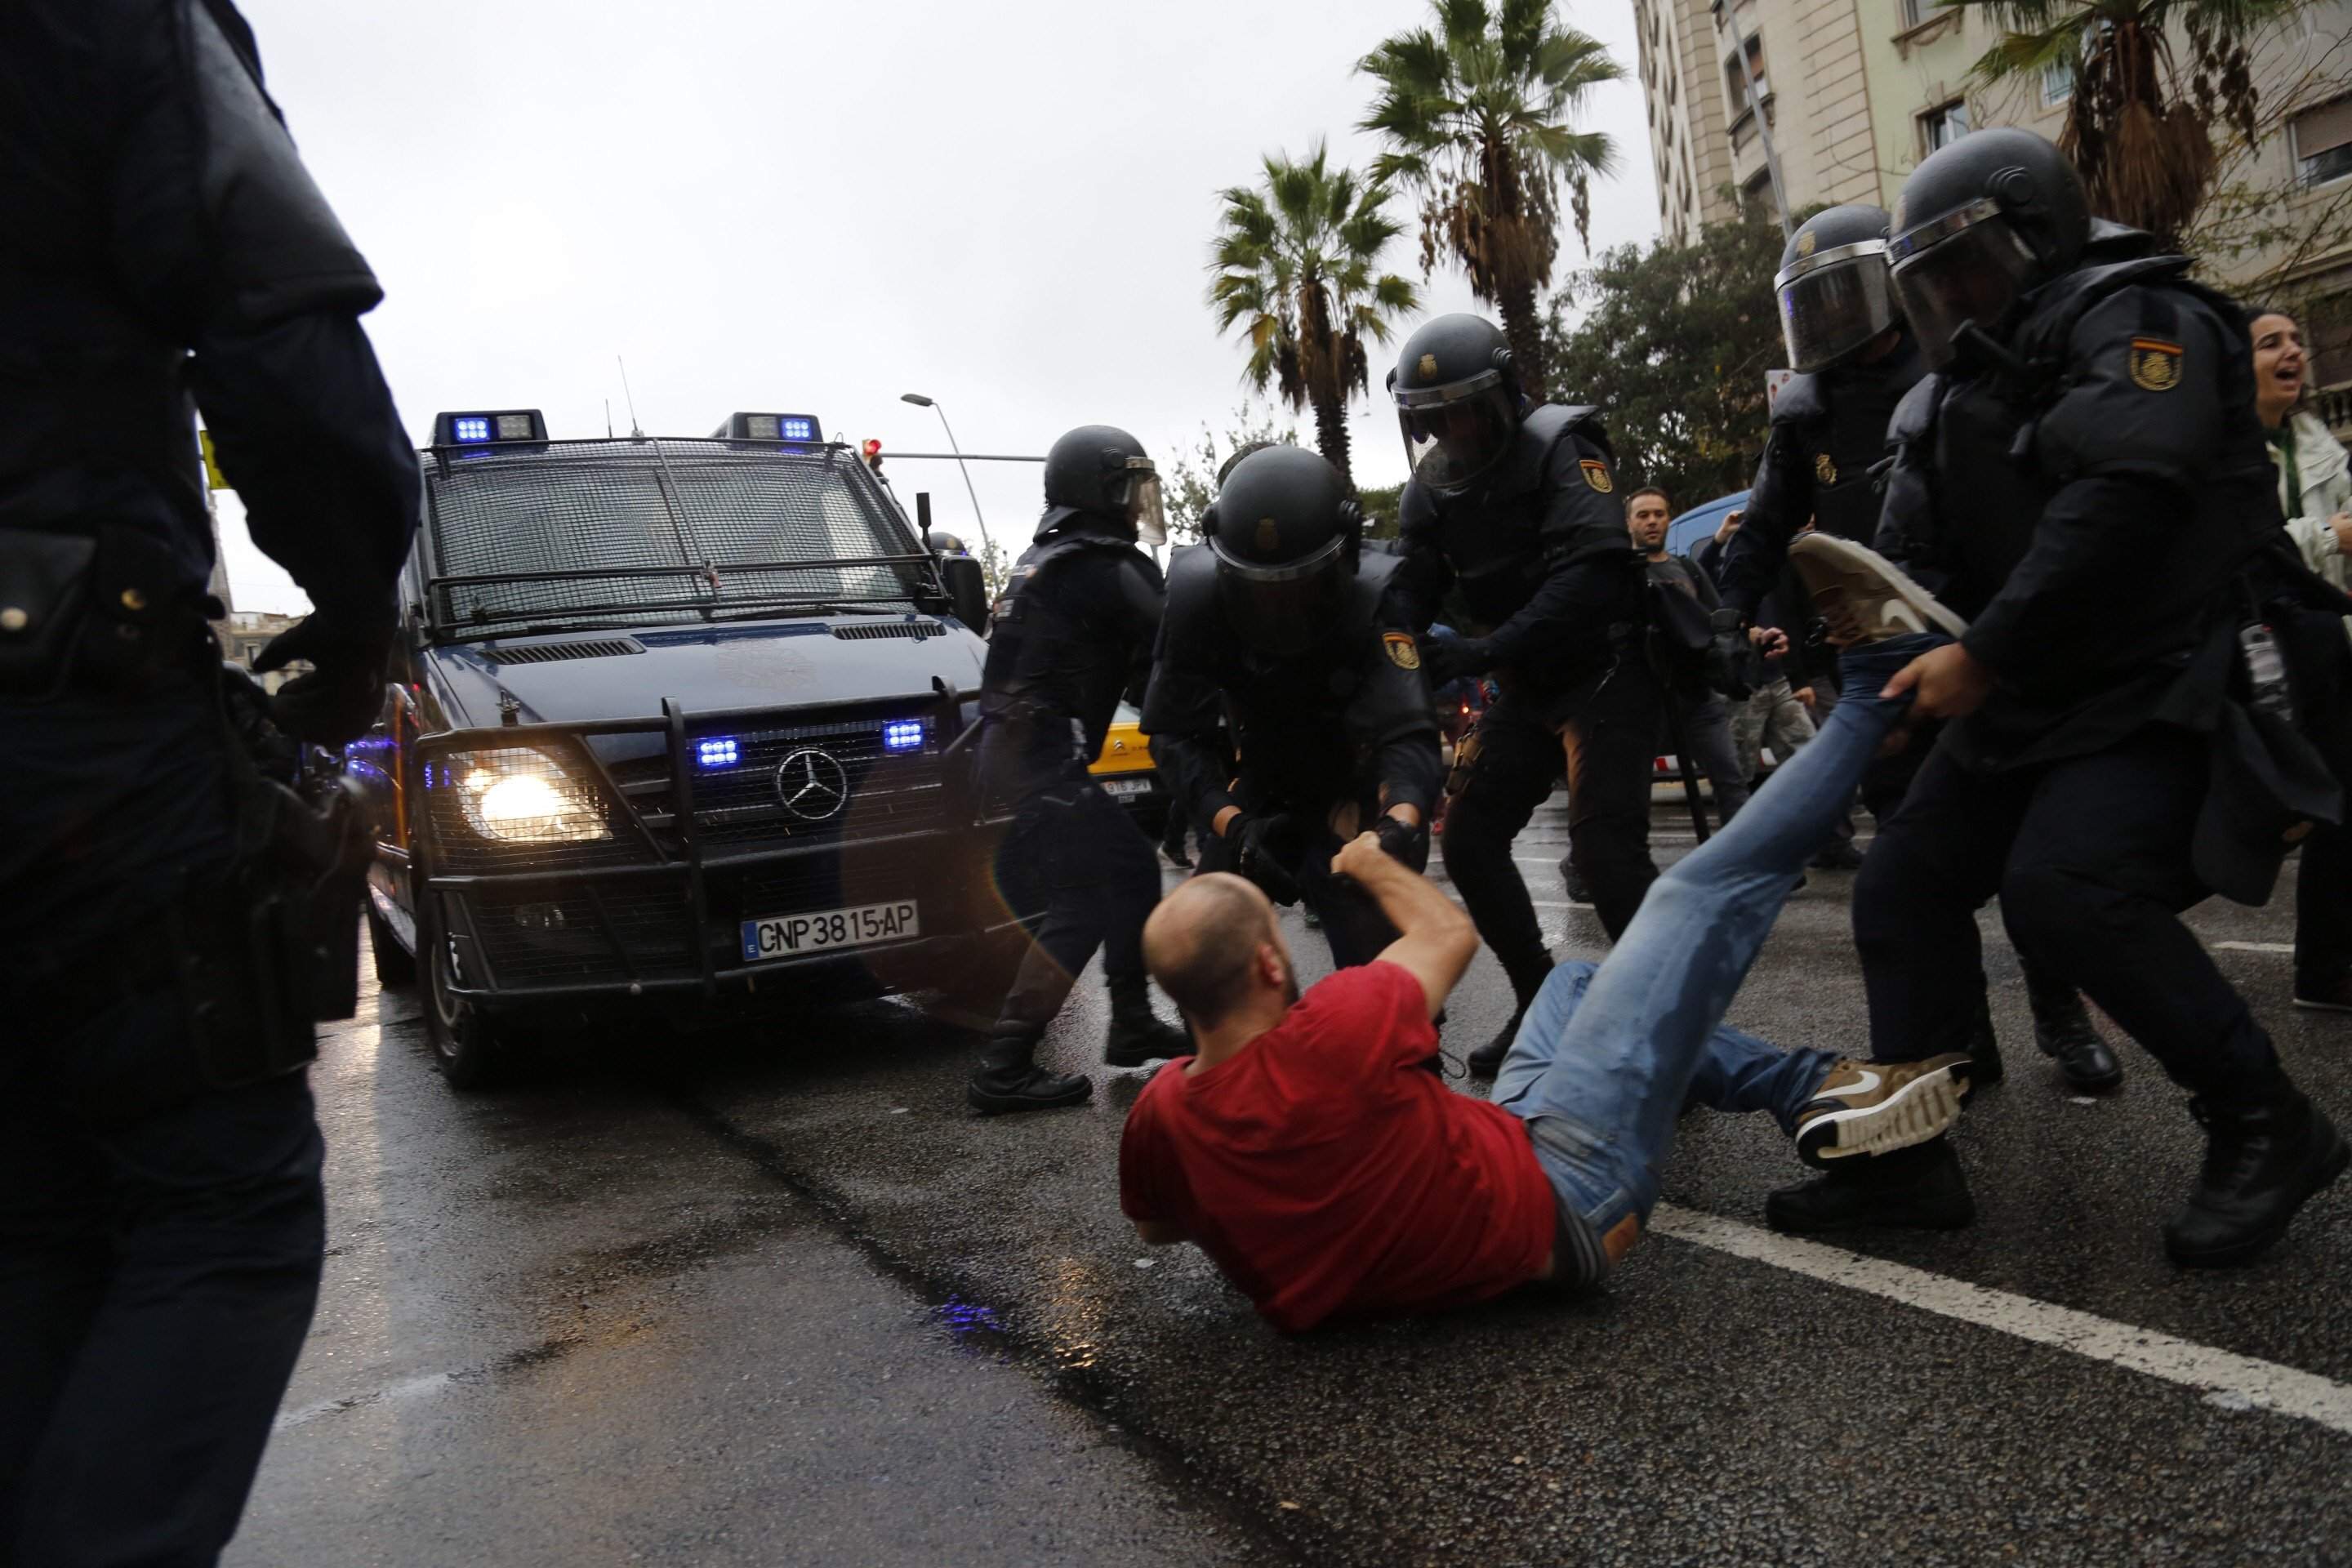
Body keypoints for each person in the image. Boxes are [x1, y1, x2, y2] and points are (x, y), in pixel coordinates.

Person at [1116, 546, 1980, 1330]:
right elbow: (1446, 933)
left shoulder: (1162, 1118)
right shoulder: (1334, 1031)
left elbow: (1159, 1224)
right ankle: (1874, 683)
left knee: (1570, 987)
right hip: (1571, 1201)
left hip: (1499, 1162)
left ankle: (1820, 1088)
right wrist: (1371, 859)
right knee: (1693, 896)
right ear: (1271, 962)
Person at [0, 2, 422, 1561]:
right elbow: (281, 341)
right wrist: (359, 599)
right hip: (67, 727)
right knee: (220, 1219)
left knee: (39, 1226)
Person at [1777, 129, 2347, 1262]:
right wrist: (1889, 627)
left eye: (1967, 271)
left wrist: (1980, 655)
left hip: (2166, 685)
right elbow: (1927, 550)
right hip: (2036, 696)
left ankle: (2265, 1122)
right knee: (1901, 886)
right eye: (1931, 283)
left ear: (2032, 234)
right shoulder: (1952, 391)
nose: (1950, 301)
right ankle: (1910, 1161)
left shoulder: (2144, 319)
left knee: (2067, 892)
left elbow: (2127, 494)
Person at [1723, 198, 2118, 1094]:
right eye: (1809, 302)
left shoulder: (1954, 361)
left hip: (1978, 646)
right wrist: (1725, 613)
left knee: (2027, 858)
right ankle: (1962, 1044)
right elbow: (1761, 530)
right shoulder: (1804, 413)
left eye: (1842, 295)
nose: (1827, 319)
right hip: (1881, 669)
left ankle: (2060, 1021)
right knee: (1918, 865)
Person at [1385, 313, 1664, 1076]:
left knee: (1607, 857)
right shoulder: (1433, 489)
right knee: (1470, 836)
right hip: (1524, 683)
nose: (1454, 429)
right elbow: (1411, 587)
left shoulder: (1560, 446)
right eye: (1435, 417)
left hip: (1602, 671)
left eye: (1466, 409)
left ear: (1504, 395)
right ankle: (1542, 1001)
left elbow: (1593, 575)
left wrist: (1482, 649)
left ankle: (1664, 1033)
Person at [1143, 446, 1442, 970]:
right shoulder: (1193, 601)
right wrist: (1232, 825)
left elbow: (1407, 735)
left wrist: (1396, 827)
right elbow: (1173, 736)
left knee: (1381, 972)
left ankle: (1408, 1049)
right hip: (1259, 785)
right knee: (1207, 949)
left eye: (1298, 586)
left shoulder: (1376, 599)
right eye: (1257, 588)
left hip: (1356, 785)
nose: (1277, 606)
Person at [968, 425, 1189, 1113]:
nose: (1135, 504)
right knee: (1087, 895)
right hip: (1043, 760)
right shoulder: (1105, 564)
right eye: (1128, 487)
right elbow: (1175, 650)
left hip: (1012, 757)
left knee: (1127, 868)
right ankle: (1003, 1065)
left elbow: (1111, 666)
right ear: (1100, 491)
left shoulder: (1046, 560)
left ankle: (1128, 1022)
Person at [2247, 305, 2352, 1013]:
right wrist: (2330, 538)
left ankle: (2324, 970)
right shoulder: (2221, 449)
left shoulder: (2317, 443)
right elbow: (2249, 546)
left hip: (2324, 641)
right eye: (2270, 344)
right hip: (2255, 648)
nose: (2293, 353)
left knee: (2342, 803)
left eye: (2295, 340)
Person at [1628, 487, 1751, 824]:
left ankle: (1739, 862)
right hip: (1647, 700)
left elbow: (1718, 618)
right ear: (1629, 524)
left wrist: (1757, 635)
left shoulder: (1689, 570)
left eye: (1659, 514)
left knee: (1730, 780)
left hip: (1697, 695)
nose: (1652, 521)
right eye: (1643, 515)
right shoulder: (1624, 574)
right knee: (1627, 791)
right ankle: (1588, 863)